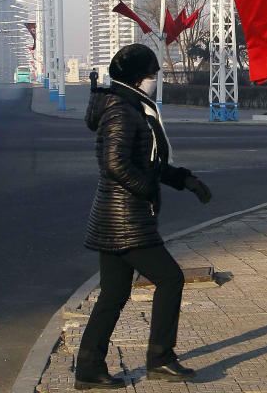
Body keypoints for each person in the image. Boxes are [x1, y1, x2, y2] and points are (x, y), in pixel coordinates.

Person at [76, 43, 212, 389]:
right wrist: (148, 190)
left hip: (116, 215)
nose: (155, 80)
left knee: (113, 294)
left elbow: (148, 163)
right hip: (127, 218)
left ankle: (89, 369)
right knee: (170, 279)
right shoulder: (123, 110)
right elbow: (115, 164)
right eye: (153, 74)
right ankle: (161, 360)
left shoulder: (130, 104)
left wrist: (183, 179)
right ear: (139, 78)